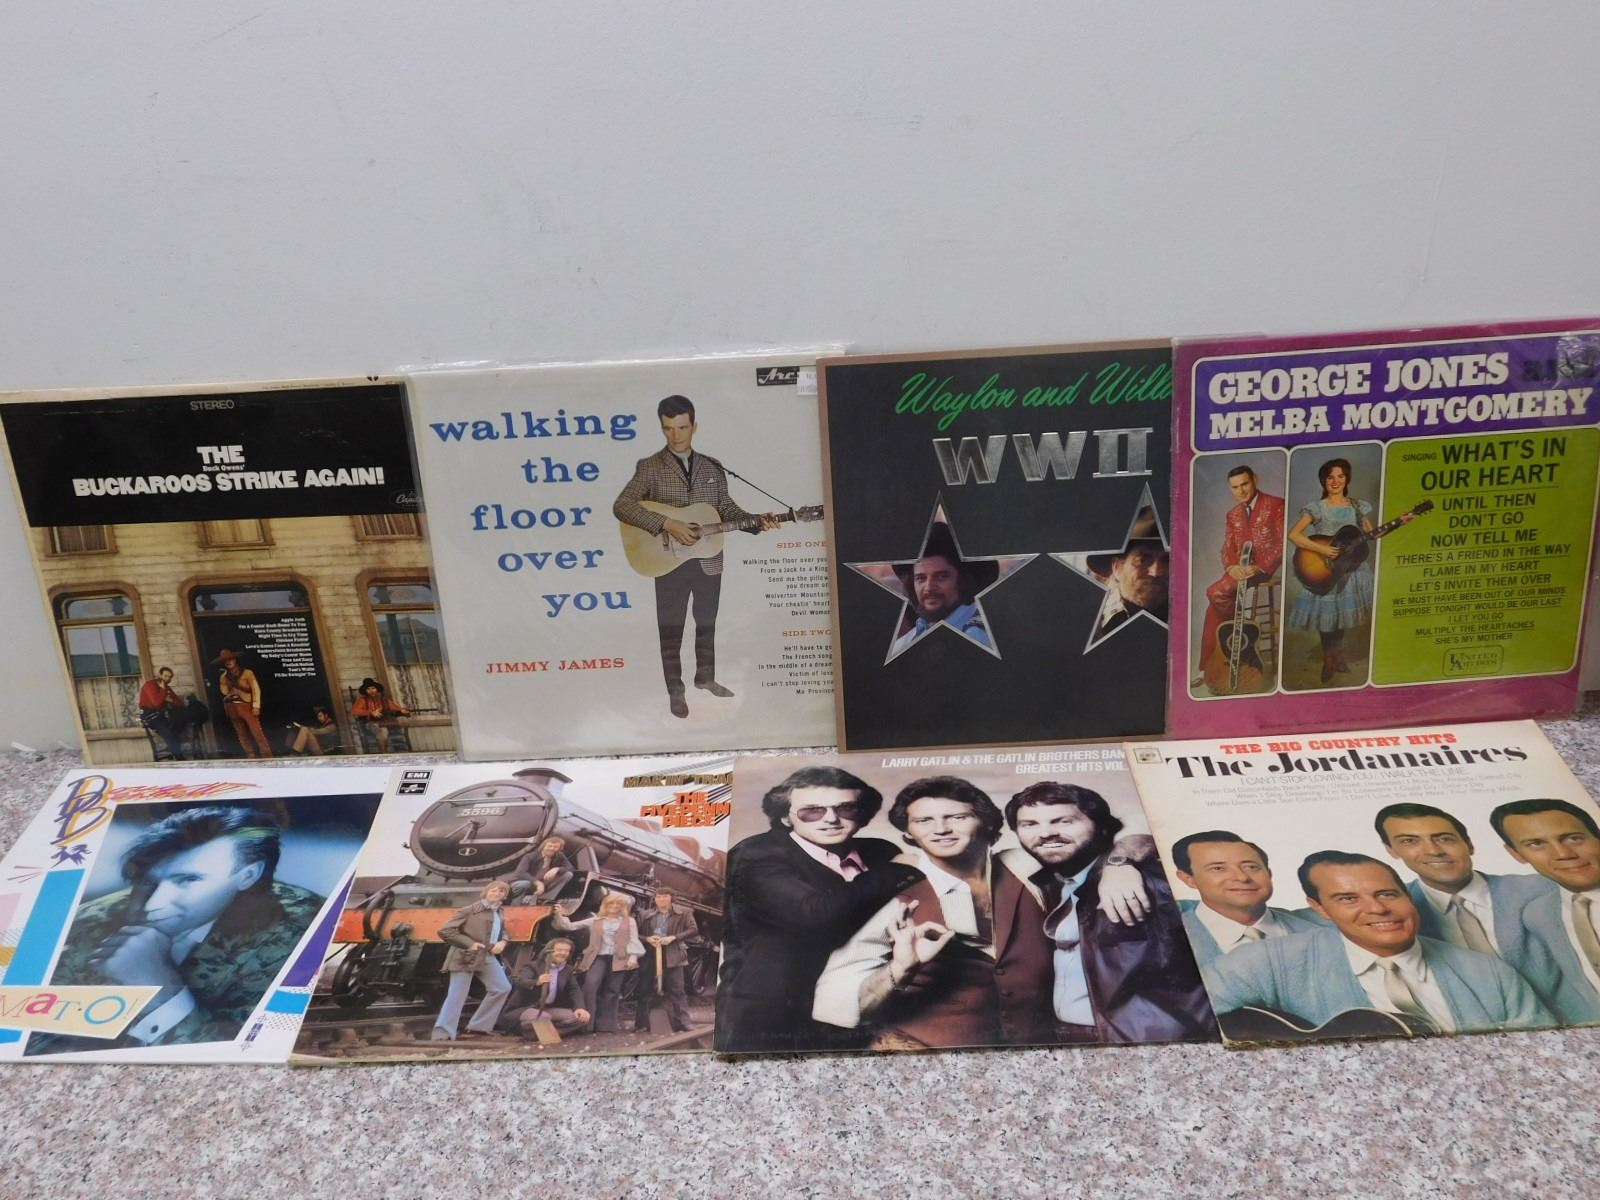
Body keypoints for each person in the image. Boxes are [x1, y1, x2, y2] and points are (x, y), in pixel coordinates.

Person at [34, 806, 324, 1054]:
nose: (153, 904)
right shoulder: (82, 924)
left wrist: (162, 991)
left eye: (187, 880)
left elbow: (254, 1058)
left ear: (248, 875)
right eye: (149, 881)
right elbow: (34, 1041)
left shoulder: (308, 930)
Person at [813, 776, 1058, 1050]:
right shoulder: (895, 895)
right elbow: (836, 1001)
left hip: (1032, 1052)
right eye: (923, 821)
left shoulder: (1028, 871)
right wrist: (900, 969)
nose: (941, 829)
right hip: (923, 1053)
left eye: (957, 817)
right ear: (908, 834)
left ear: (987, 822)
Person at [1201, 851, 1553, 1035]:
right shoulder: (1269, 961)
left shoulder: (1490, 974)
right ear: (1319, 908)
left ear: (1408, 895)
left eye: (1387, 894)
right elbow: (1191, 1020)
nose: (1377, 909)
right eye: (1348, 899)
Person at [716, 766, 926, 1053]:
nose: (831, 819)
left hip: (856, 1008)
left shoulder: (880, 852)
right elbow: (814, 914)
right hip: (771, 1017)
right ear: (785, 816)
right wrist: (896, 870)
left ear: (862, 814)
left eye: (846, 808)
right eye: (812, 811)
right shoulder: (754, 854)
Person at [1003, 783, 1215, 1043]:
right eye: (1029, 824)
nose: (1046, 833)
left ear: (1102, 826)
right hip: (1072, 1035)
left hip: (1138, 1038)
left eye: (1064, 821)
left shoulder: (1146, 882)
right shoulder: (1053, 882)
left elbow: (1210, 964)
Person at [613, 394, 779, 718]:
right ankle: (675, 691)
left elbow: (726, 510)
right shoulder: (649, 467)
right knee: (671, 629)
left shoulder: (712, 466)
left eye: (682, 427)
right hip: (667, 561)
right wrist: (668, 523)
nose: (676, 436)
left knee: (707, 622)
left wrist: (758, 522)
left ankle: (705, 678)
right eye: (668, 429)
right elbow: (623, 506)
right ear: (662, 428)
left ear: (694, 426)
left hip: (708, 558)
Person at [1374, 802, 1554, 970]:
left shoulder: (1542, 889)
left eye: (1444, 839)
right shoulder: (1392, 912)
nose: (1434, 851)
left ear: (1469, 845)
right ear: (1391, 850)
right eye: (1409, 841)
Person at [1490, 799, 1600, 1024]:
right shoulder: (1538, 914)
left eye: (1573, 838)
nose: (1563, 854)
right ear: (1516, 853)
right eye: (1536, 844)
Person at [1169, 830, 1322, 967]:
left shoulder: (1322, 928)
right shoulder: (1168, 939)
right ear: (1189, 879)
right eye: (1218, 868)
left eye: (1251, 867)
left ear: (1269, 873)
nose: (1242, 877)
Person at [1286, 457, 1378, 684]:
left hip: (1349, 568)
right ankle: (1328, 658)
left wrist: (1402, 521)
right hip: (1325, 568)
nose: (1335, 481)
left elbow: (1373, 535)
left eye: (1340, 476)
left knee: (1341, 613)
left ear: (1347, 479)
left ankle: (1338, 656)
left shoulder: (1357, 506)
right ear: (1323, 481)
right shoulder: (1317, 508)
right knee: (1327, 615)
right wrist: (1322, 549)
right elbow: (1293, 535)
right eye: (1330, 477)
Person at [1197, 466, 1284, 692]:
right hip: (1239, 570)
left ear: (1255, 479)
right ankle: (1208, 668)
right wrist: (1231, 566)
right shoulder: (1233, 514)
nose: (1241, 491)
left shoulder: (1276, 504)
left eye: (1245, 484)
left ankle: (1231, 645)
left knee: (1215, 593)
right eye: (1235, 487)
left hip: (1262, 569)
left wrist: (1258, 567)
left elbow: (1281, 543)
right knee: (1212, 609)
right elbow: (1227, 547)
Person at [889, 521, 998, 656]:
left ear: (963, 582)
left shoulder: (980, 638)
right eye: (921, 578)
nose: (929, 588)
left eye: (941, 577)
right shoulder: (903, 645)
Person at [432, 880, 515, 1041]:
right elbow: (445, 930)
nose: (496, 893)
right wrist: (469, 944)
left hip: (486, 955)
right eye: (493, 890)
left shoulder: (499, 911)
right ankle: (442, 1033)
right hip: (465, 956)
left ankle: (479, 1027)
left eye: (501, 891)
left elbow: (504, 931)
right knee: (457, 994)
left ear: (504, 896)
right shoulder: (468, 910)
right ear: (486, 892)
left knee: (502, 988)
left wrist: (503, 942)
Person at [552, 893, 644, 1033]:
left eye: (618, 904)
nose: (614, 906)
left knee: (612, 990)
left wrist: (633, 957)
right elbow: (570, 926)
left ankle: (606, 1026)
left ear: (622, 907)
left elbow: (633, 939)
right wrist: (559, 914)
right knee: (590, 985)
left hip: (619, 958)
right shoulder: (596, 920)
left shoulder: (629, 921)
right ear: (605, 905)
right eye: (611, 903)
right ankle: (586, 1024)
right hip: (598, 957)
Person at [1084, 508, 1169, 642]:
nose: (1156, 572)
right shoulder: (1085, 619)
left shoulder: (1189, 619)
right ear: (1117, 567)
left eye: (1167, 560)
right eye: (1142, 560)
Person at [634, 887, 699, 1033]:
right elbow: (635, 934)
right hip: (650, 954)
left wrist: (674, 937)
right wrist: (648, 939)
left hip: (673, 953)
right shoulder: (645, 914)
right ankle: (641, 1024)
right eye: (658, 897)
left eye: (665, 896)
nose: (661, 899)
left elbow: (693, 929)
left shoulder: (684, 912)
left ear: (671, 898)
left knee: (677, 989)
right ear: (655, 899)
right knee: (644, 989)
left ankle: (683, 1022)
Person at [500, 938, 591, 1040]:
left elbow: (574, 990)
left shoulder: (567, 970)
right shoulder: (533, 966)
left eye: (566, 951)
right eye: (559, 950)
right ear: (549, 950)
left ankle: (534, 1034)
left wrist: (580, 1007)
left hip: (548, 1008)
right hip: (526, 1008)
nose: (563, 953)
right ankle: (536, 1030)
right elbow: (520, 981)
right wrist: (537, 982)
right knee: (543, 1017)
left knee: (582, 1018)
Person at [138, 666, 202, 760]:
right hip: (149, 715)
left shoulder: (167, 688)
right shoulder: (150, 685)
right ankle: (179, 759)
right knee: (169, 733)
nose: (167, 679)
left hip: (161, 715)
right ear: (160, 675)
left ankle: (174, 751)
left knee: (179, 722)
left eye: (170, 677)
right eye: (165, 676)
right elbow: (156, 703)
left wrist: (170, 700)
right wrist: (163, 691)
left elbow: (179, 703)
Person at [216, 648, 272, 758]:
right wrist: (223, 679)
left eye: (230, 659)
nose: (228, 662)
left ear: (235, 659)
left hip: (246, 705)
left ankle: (266, 754)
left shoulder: (247, 673)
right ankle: (250, 754)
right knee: (241, 734)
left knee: (256, 731)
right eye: (225, 660)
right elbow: (225, 692)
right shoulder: (224, 676)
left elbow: (256, 689)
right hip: (232, 705)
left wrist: (256, 706)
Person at [351, 677, 411, 751]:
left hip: (385, 721)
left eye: (373, 688)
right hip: (370, 722)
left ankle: (400, 748)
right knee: (382, 732)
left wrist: (403, 710)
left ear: (377, 689)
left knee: (403, 720)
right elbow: (354, 711)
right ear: (365, 691)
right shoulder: (362, 700)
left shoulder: (383, 699)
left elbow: (395, 708)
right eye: (368, 689)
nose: (371, 691)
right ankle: (384, 752)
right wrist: (371, 712)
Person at [510, 835, 575, 902]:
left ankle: (544, 898)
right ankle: (515, 903)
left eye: (555, 847)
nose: (552, 848)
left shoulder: (560, 856)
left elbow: (571, 868)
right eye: (549, 846)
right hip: (530, 883)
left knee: (568, 874)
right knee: (523, 884)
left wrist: (557, 869)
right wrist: (537, 882)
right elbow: (520, 873)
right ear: (543, 846)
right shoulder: (530, 856)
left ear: (560, 849)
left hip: (545, 883)